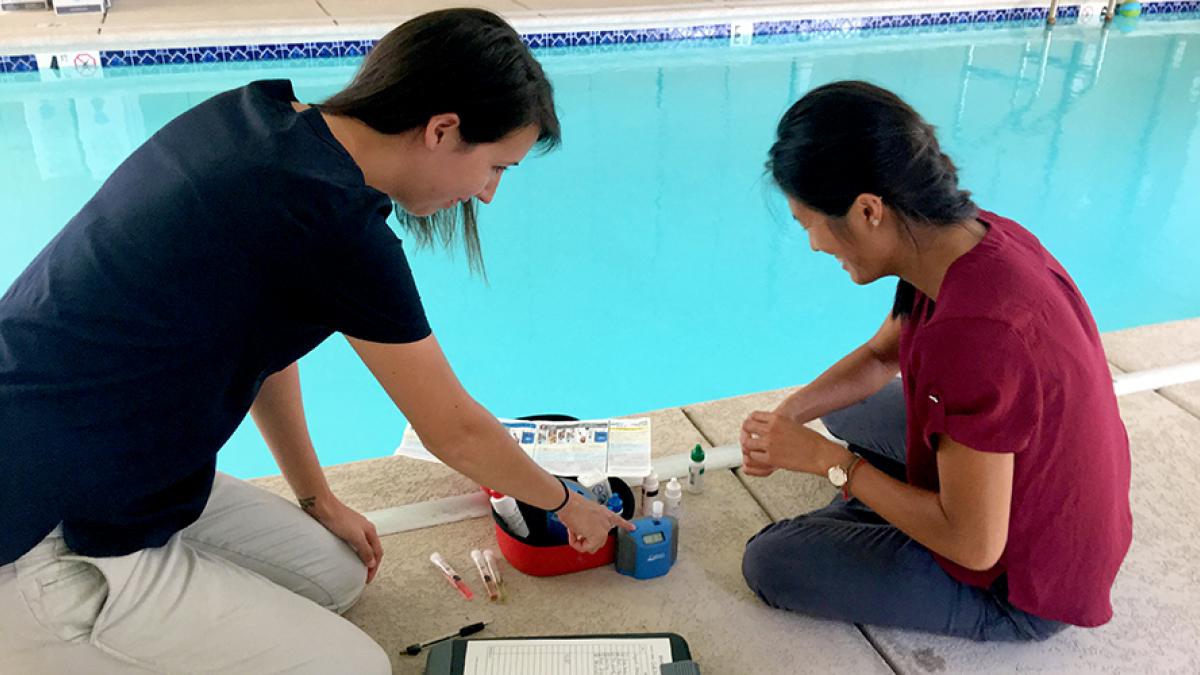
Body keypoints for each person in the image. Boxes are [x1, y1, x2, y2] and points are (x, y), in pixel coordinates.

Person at [0, 9, 629, 673]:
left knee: (336, 574)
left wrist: (315, 496)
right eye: (496, 166)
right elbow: (455, 430)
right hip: (45, 526)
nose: (489, 194)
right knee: (357, 666)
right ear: (443, 130)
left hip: (116, 460)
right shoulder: (333, 222)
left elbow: (270, 340)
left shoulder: (260, 119)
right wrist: (564, 502)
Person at [738, 81, 1132, 641]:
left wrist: (835, 466)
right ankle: (905, 496)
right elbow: (880, 356)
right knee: (851, 411)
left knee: (772, 563)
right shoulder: (963, 240)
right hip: (1045, 486)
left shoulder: (976, 334)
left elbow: (975, 545)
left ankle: (901, 504)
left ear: (868, 210)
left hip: (1021, 585)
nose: (815, 246)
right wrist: (789, 417)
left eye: (810, 226)